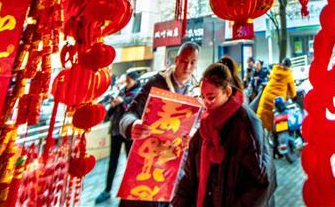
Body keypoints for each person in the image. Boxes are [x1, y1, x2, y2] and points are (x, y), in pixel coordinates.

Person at [172, 57, 274, 207]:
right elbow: (190, 177)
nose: (206, 103)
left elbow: (261, 183)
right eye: (203, 97)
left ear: (227, 91)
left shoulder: (246, 124)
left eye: (211, 97)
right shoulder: (206, 124)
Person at [119, 42, 200, 207]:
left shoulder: (196, 91)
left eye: (192, 62)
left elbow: (199, 125)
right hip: (147, 164)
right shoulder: (156, 83)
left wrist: (194, 135)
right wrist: (132, 125)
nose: (188, 67)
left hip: (175, 169)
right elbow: (128, 115)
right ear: (176, 60)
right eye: (184, 61)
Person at [96, 69, 143, 203]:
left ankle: (130, 190)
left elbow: (136, 111)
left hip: (129, 133)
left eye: (129, 80)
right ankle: (107, 189)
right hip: (116, 131)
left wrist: (122, 103)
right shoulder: (122, 91)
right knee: (113, 161)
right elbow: (111, 110)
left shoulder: (139, 94)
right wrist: (112, 105)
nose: (127, 82)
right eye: (126, 79)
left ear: (135, 81)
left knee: (130, 162)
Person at [256, 58, 296, 131]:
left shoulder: (275, 70)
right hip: (277, 101)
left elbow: (270, 79)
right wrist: (294, 97)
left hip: (266, 96)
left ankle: (265, 133)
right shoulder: (288, 74)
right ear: (289, 66)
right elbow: (292, 91)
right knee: (276, 120)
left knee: (264, 117)